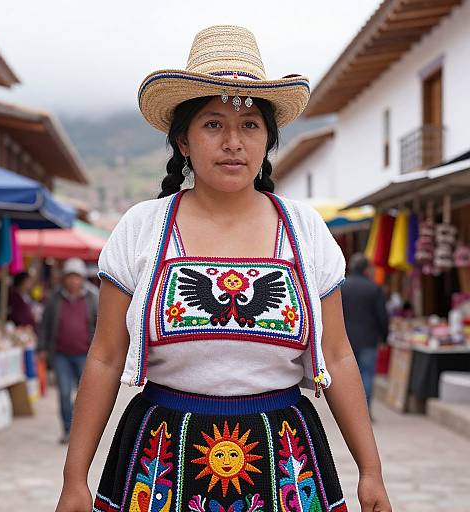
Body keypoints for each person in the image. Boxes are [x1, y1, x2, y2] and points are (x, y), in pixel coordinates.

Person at [56, 26, 391, 512]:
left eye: (250, 126)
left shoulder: (306, 231)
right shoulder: (141, 229)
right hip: (161, 458)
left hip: (285, 460)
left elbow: (337, 356)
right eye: (213, 124)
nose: (233, 141)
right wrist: (73, 479)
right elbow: (106, 356)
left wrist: (371, 471)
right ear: (184, 142)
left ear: (267, 141)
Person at [38, 258, 98, 444]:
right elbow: (45, 325)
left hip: (84, 354)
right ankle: (67, 430)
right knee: (64, 392)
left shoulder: (93, 297)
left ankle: (81, 433)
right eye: (70, 277)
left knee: (84, 395)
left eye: (77, 277)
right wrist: (42, 348)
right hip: (61, 354)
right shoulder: (54, 298)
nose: (73, 281)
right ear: (64, 278)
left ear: (82, 279)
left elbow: (101, 326)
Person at [341, 253, 389, 413]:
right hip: (369, 339)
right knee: (367, 374)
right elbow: (382, 316)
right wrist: (385, 336)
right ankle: (365, 411)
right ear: (367, 269)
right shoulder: (374, 288)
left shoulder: (342, 287)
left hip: (346, 339)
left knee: (348, 375)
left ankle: (350, 411)